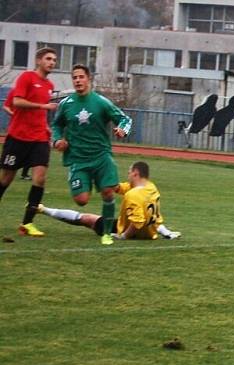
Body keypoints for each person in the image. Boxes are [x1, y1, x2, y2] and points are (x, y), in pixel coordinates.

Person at [51, 64, 132, 245]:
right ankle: (86, 194)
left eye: (81, 77)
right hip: (78, 159)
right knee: (81, 200)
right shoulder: (66, 104)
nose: (78, 80)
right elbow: (56, 125)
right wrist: (57, 140)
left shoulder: (101, 102)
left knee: (108, 193)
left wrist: (123, 130)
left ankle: (106, 234)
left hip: (101, 156)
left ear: (89, 79)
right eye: (75, 78)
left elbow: (125, 119)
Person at [38, 161, 181, 240]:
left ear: (136, 173)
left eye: (129, 172)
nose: (128, 175)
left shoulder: (133, 195)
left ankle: (43, 209)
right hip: (151, 232)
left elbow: (137, 223)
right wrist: (165, 231)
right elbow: (153, 216)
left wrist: (123, 236)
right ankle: (164, 232)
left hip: (130, 230)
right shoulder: (151, 187)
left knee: (86, 219)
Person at [0, 47, 59, 237]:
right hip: (18, 138)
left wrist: (46, 126)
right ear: (38, 61)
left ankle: (27, 223)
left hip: (39, 138)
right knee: (6, 179)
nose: (52, 62)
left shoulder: (50, 84)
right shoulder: (26, 77)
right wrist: (43, 106)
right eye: (48, 59)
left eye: (54, 60)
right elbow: (16, 102)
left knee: (40, 178)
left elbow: (40, 112)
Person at [3, 89, 32, 181]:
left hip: (30, 129)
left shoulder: (34, 91)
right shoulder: (15, 91)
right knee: (11, 156)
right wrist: (13, 113)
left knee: (30, 153)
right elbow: (5, 106)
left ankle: (24, 174)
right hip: (15, 130)